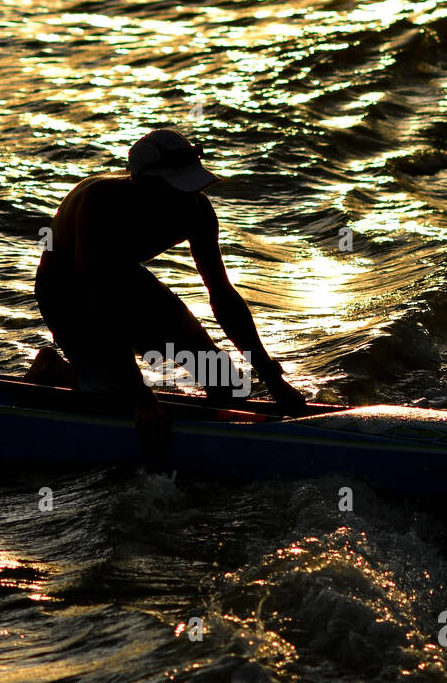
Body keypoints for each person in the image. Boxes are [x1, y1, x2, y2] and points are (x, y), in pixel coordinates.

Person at [27, 128, 309, 453]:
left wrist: (273, 379)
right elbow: (100, 302)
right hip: (67, 288)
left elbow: (223, 296)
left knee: (226, 382)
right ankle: (55, 371)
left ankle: (212, 451)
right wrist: (142, 399)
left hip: (125, 277)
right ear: (144, 184)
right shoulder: (101, 203)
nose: (187, 197)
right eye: (177, 188)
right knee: (114, 398)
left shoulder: (197, 210)